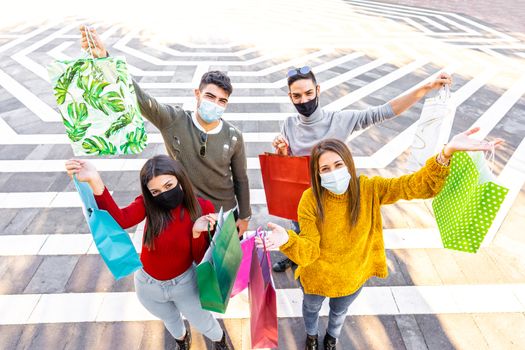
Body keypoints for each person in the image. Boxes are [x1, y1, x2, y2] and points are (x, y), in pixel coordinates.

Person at [257, 128, 502, 350]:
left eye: (339, 165)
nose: (333, 172)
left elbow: (415, 186)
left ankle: (331, 338)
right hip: (317, 277)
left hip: (353, 275)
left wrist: (446, 153)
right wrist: (286, 240)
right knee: (311, 309)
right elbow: (308, 251)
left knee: (339, 312)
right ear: (317, 174)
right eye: (325, 169)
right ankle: (311, 337)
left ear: (349, 165)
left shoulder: (369, 189)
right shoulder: (310, 200)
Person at [271, 66, 452, 272]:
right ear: (290, 97)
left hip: (334, 196)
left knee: (331, 239)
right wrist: (282, 151)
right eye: (297, 96)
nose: (304, 101)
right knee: (301, 230)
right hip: (301, 198)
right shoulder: (288, 124)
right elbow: (287, 164)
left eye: (309, 93)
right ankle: (297, 255)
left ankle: (326, 270)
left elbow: (386, 111)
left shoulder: (340, 120)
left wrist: (427, 87)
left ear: (318, 90)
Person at [79, 25, 251, 236]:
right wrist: (104, 59)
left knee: (224, 267)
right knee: (195, 262)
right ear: (197, 94)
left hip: (224, 214)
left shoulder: (234, 136)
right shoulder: (174, 119)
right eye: (210, 96)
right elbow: (140, 98)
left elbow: (241, 178)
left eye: (222, 101)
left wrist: (244, 216)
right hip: (188, 212)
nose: (215, 104)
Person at [65, 155, 232, 350]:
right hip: (148, 285)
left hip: (186, 285)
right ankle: (182, 341)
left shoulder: (202, 207)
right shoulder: (148, 204)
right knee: (171, 321)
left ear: (180, 179)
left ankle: (221, 343)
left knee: (205, 323)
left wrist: (196, 232)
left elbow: (201, 259)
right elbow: (121, 220)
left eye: (169, 186)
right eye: (155, 191)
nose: (163, 194)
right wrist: (95, 180)